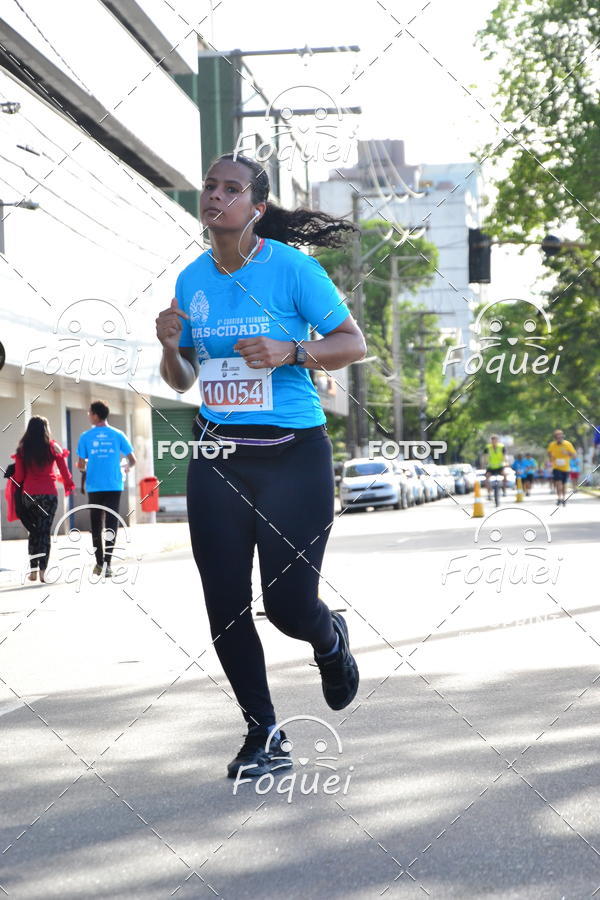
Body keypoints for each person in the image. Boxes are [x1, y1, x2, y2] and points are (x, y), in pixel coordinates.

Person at [156, 152, 366, 780]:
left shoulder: (294, 269)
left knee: (286, 605)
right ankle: (263, 733)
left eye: (230, 189)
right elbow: (185, 376)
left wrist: (291, 349)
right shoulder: (192, 280)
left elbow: (352, 344)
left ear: (257, 207)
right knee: (224, 602)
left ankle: (328, 639)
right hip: (218, 453)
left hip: (292, 455)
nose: (214, 196)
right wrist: (170, 345)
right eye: (209, 187)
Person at [76, 401, 136, 576]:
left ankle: (99, 563)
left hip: (94, 486)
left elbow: (80, 464)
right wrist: (126, 468)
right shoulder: (118, 435)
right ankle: (108, 564)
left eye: (89, 413)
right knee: (111, 523)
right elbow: (132, 460)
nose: (88, 416)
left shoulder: (85, 437)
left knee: (96, 524)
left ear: (95, 415)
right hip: (114, 485)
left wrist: (85, 464)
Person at [12, 416, 75, 581]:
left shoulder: (23, 449)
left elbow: (18, 477)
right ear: (45, 430)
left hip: (29, 495)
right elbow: (65, 472)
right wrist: (69, 485)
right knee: (44, 532)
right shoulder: (53, 448)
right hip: (49, 496)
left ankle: (32, 571)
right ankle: (42, 572)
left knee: (33, 531)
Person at [546, 428, 576, 506]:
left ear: (563, 436)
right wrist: (551, 458)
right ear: (555, 437)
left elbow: (574, 455)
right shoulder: (552, 445)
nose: (559, 437)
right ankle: (559, 498)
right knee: (558, 483)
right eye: (557, 436)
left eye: (560, 436)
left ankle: (563, 498)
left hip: (566, 468)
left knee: (563, 484)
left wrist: (567, 452)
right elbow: (548, 453)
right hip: (556, 467)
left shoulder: (568, 444)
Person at [484, 435, 507, 499]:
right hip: (491, 466)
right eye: (492, 440)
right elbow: (485, 456)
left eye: (495, 440)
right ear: (491, 441)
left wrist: (506, 462)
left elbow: (504, 455)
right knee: (486, 478)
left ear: (497, 440)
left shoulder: (501, 447)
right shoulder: (488, 447)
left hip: (500, 466)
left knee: (505, 475)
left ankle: (504, 490)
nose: (494, 442)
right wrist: (485, 463)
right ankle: (489, 493)